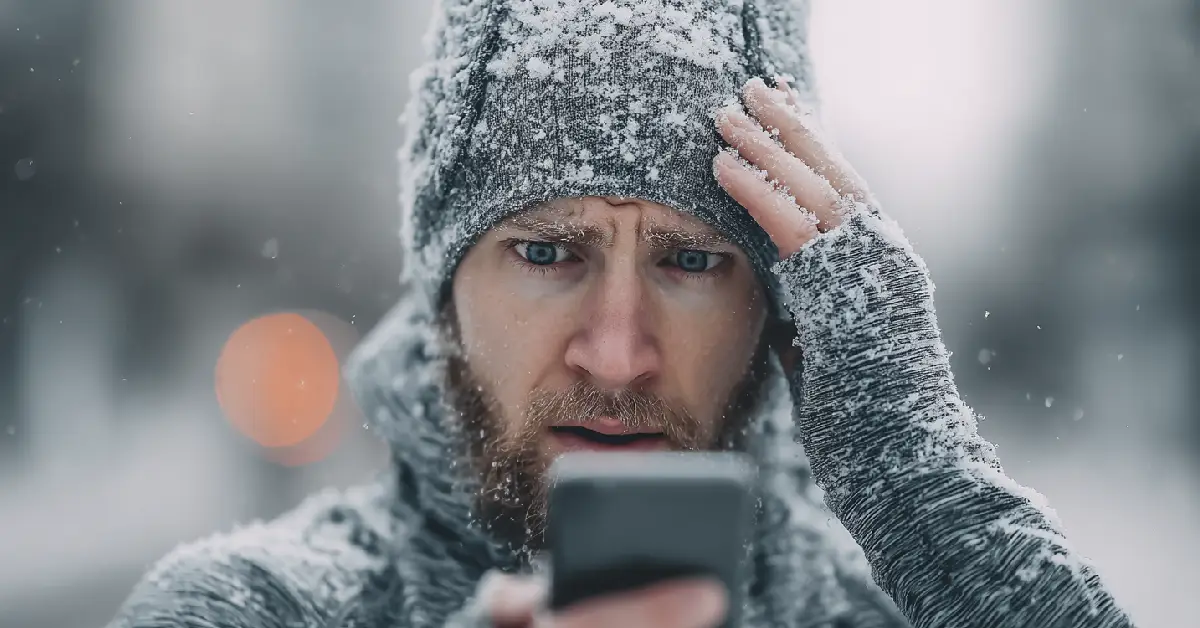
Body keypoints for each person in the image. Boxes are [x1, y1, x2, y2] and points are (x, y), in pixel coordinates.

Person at [108, 1, 1137, 627]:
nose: (617, 351)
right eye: (546, 252)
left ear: (777, 307)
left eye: (693, 260)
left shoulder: (894, 610)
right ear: (444, 287)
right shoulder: (256, 607)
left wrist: (922, 488)